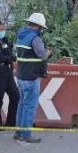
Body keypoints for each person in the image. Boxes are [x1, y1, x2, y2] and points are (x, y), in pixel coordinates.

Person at [14, 13, 52, 143]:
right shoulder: (35, 38)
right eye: (41, 27)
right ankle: (26, 134)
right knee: (30, 106)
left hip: (21, 75)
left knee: (22, 104)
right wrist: (49, 52)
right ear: (38, 26)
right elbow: (42, 55)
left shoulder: (20, 35)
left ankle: (19, 132)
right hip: (32, 77)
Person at [0, 21, 18, 128]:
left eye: (2, 29)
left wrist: (12, 66)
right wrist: (11, 58)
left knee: (15, 96)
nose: (1, 31)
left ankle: (11, 123)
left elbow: (11, 53)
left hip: (8, 72)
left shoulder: (5, 41)